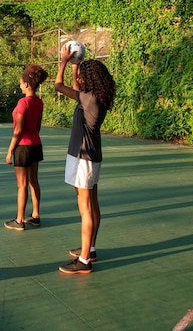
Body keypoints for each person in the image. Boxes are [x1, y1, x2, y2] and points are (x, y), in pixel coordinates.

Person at [54, 43, 116, 274]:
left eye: (81, 75)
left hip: (83, 157)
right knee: (92, 204)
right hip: (91, 156)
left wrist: (63, 60)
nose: (78, 77)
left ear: (88, 80)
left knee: (85, 208)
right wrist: (74, 66)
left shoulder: (89, 99)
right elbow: (74, 87)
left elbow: (58, 86)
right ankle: (90, 249)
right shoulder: (95, 96)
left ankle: (83, 261)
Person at [4, 64, 49, 231]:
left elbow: (18, 129)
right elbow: (37, 126)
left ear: (27, 84)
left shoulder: (23, 103)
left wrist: (10, 151)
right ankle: (35, 215)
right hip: (36, 145)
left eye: (21, 83)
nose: (20, 85)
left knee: (22, 185)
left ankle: (19, 220)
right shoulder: (39, 102)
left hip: (23, 147)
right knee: (33, 181)